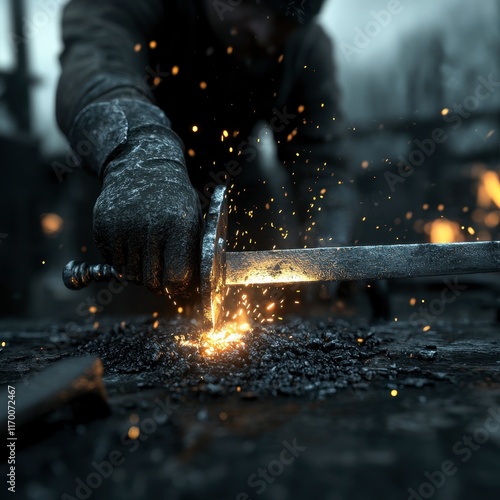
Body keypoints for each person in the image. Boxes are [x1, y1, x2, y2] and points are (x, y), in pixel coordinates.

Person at [56, 0, 357, 301]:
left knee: (263, 319)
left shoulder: (305, 46)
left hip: (236, 193)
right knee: (128, 328)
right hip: (128, 197)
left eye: (283, 24)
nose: (262, 35)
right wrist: (140, 151)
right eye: (254, 4)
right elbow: (96, 66)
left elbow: (321, 161)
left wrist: (327, 233)